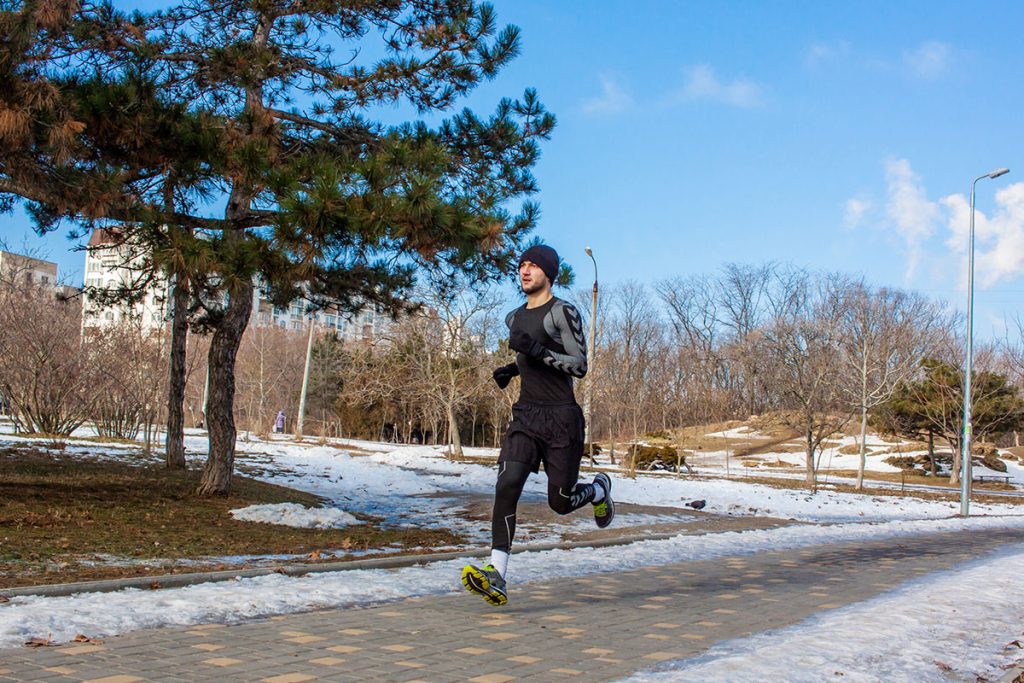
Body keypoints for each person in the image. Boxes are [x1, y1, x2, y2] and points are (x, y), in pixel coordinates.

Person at [461, 244, 614, 606]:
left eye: (533, 265)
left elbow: (579, 366)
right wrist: (512, 369)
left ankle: (598, 491)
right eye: (522, 265)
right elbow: (530, 354)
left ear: (548, 273)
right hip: (527, 415)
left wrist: (533, 352)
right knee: (507, 482)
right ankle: (496, 573)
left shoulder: (564, 312)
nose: (525, 270)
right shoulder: (514, 318)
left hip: (562, 419)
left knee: (560, 503)